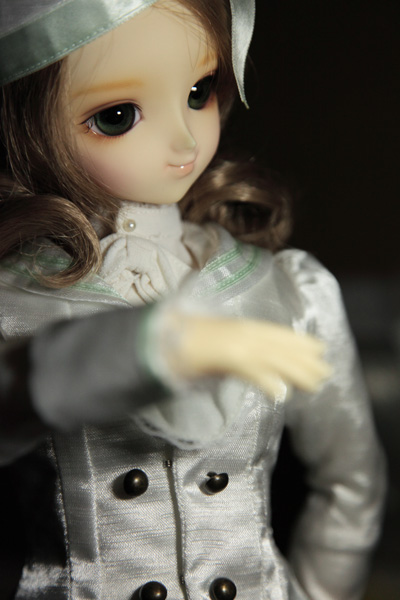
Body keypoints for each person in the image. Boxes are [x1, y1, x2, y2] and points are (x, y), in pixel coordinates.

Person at [0, 1, 385, 599]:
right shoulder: (16, 302)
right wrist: (136, 353)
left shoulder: (283, 289)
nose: (183, 141)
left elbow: (351, 479)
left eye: (199, 92)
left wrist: (318, 590)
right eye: (117, 116)